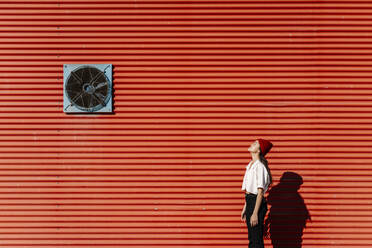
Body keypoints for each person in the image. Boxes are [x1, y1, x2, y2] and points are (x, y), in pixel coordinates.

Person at [240, 139, 273, 248]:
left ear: (259, 150)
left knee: (256, 240)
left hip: (256, 203)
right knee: (252, 239)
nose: (252, 144)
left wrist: (255, 212)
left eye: (255, 143)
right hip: (250, 201)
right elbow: (249, 190)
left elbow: (260, 192)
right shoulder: (250, 165)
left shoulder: (259, 167)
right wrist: (246, 206)